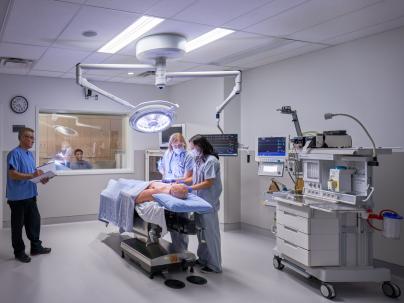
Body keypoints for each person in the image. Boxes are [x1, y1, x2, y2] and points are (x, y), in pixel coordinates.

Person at [6, 128, 52, 263]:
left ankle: (36, 248)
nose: (32, 140)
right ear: (21, 138)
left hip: (31, 195)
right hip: (17, 198)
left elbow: (33, 174)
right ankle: (19, 252)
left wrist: (42, 178)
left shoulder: (30, 155)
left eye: (33, 137)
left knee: (34, 223)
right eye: (28, 137)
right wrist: (32, 175)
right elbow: (12, 174)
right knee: (17, 227)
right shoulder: (14, 153)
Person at [184, 135, 222, 273]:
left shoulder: (211, 161)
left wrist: (189, 189)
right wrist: (178, 181)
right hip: (198, 203)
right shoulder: (198, 160)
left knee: (210, 235)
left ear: (200, 146)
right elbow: (193, 178)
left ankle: (215, 265)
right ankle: (203, 259)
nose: (191, 150)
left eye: (192, 147)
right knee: (201, 235)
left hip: (208, 203)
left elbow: (208, 182)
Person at [158, 133, 194, 252]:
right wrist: (165, 183)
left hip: (180, 191)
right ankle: (175, 249)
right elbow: (163, 170)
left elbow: (188, 177)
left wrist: (175, 181)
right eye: (175, 142)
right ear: (171, 144)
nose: (178, 144)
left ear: (184, 142)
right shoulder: (168, 153)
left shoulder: (188, 156)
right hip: (167, 189)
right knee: (170, 221)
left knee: (180, 222)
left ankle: (182, 251)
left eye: (180, 141)